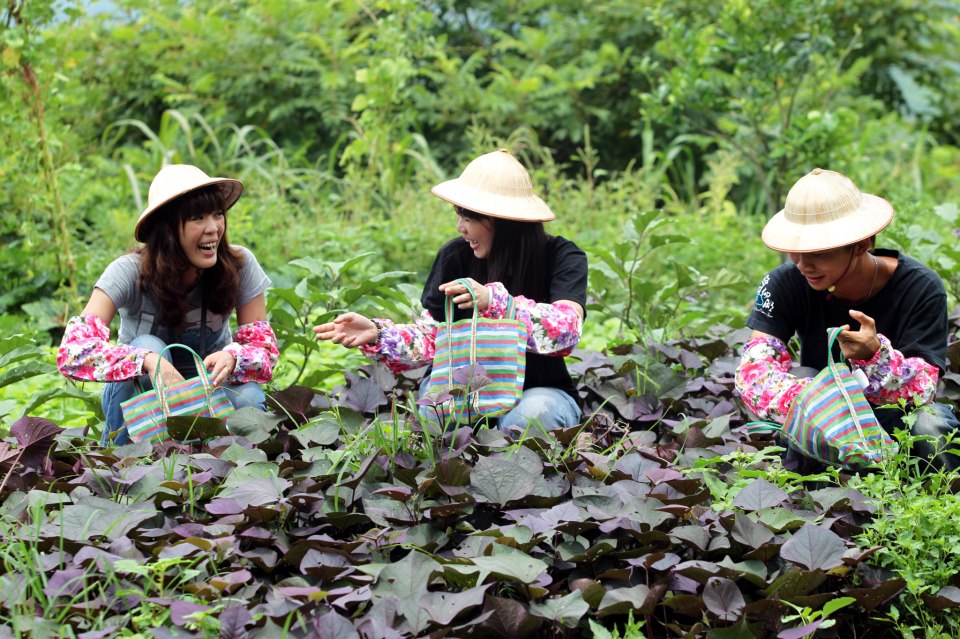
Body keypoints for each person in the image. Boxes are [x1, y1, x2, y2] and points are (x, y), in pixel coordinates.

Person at [314, 148, 587, 431]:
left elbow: (566, 330)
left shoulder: (562, 256)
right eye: (459, 216)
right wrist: (379, 334)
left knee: (530, 417)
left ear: (504, 221)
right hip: (460, 384)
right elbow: (431, 336)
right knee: (438, 410)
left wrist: (494, 302)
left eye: (469, 218)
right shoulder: (455, 257)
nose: (460, 228)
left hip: (540, 389)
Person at [736, 167, 959, 471]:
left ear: (861, 245)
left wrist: (875, 358)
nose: (803, 265)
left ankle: (940, 506)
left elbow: (923, 390)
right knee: (803, 376)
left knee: (932, 423)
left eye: (819, 253)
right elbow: (755, 372)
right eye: (796, 252)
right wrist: (827, 400)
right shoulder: (784, 283)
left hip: (895, 417)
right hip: (824, 421)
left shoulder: (921, 287)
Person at [57, 164, 279, 445]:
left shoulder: (239, 265)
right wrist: (148, 362)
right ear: (168, 229)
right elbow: (74, 351)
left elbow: (264, 348)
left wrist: (233, 356)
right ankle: (119, 461)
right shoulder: (128, 272)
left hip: (208, 389)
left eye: (218, 214)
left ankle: (234, 469)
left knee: (249, 396)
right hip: (144, 393)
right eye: (197, 217)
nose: (213, 228)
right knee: (150, 345)